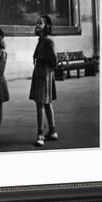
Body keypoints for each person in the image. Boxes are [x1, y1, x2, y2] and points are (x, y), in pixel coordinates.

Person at [29, 14, 59, 146]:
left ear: (47, 26)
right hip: (40, 72)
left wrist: (47, 70)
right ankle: (52, 131)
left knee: (40, 104)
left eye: (40, 23)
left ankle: (40, 134)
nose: (37, 25)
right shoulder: (41, 40)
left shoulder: (47, 40)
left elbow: (54, 61)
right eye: (36, 23)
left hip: (44, 74)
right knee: (46, 103)